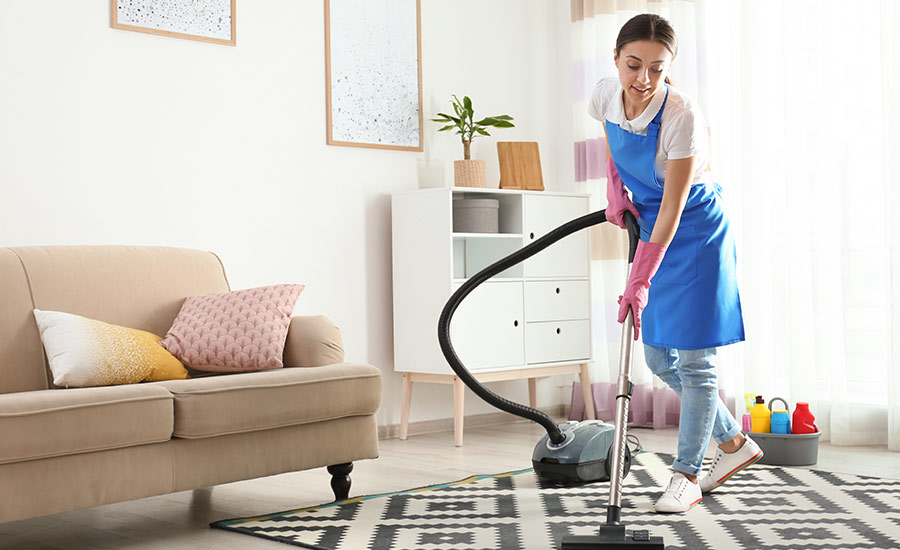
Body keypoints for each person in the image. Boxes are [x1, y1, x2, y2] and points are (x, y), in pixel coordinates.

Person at [588, 13, 763, 514]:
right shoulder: (604, 94)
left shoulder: (683, 115)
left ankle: (685, 475)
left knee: (695, 360)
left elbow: (672, 208)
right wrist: (613, 191)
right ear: (616, 60)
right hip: (652, 230)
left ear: (671, 67)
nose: (643, 79)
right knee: (659, 358)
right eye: (633, 64)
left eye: (657, 69)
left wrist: (638, 279)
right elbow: (612, 143)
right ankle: (734, 443)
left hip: (694, 233)